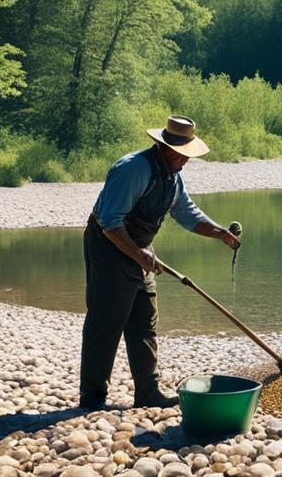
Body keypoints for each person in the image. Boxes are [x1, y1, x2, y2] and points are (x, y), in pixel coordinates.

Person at [79, 115, 240, 410]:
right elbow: (110, 224)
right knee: (107, 321)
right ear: (165, 148)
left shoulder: (173, 175)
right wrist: (140, 256)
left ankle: (148, 393)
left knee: (144, 319)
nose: (187, 160)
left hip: (139, 245)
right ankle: (92, 398)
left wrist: (219, 232)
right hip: (110, 246)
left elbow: (187, 213)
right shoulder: (132, 169)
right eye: (184, 154)